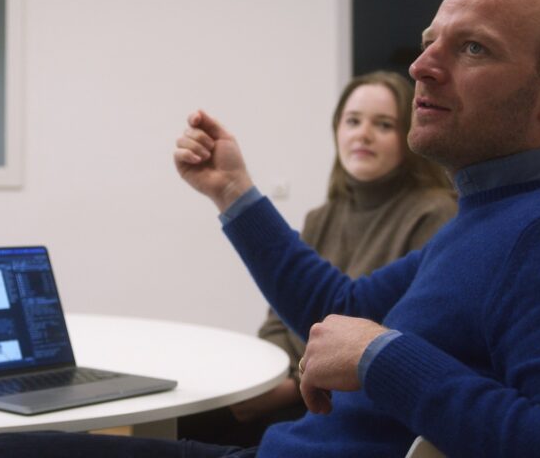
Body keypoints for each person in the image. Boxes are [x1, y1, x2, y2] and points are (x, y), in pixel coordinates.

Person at [0, 0, 540, 458]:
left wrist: (382, 357)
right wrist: (232, 191)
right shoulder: (496, 212)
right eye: (432, 41)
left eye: (471, 48)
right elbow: (339, 301)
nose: (422, 67)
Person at [178, 71, 457, 447]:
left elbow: (386, 336)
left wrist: (290, 387)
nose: (363, 134)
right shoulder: (321, 216)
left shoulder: (435, 215)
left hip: (334, 404)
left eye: (384, 125)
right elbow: (280, 320)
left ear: (408, 137)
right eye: (353, 121)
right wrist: (262, 380)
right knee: (188, 413)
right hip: (292, 385)